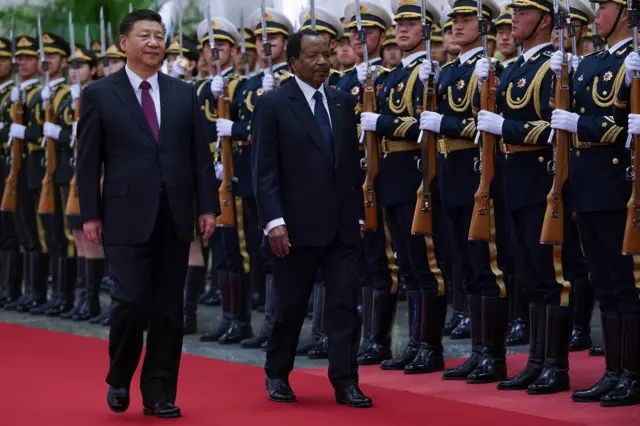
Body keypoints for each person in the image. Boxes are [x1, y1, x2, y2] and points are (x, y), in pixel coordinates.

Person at [77, 9, 218, 418]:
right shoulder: (101, 93)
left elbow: (199, 156)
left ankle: (159, 392)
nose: (154, 42)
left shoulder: (182, 92)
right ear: (124, 43)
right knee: (130, 300)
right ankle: (119, 376)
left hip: (175, 214)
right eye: (145, 35)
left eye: (159, 35)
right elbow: (88, 161)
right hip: (123, 214)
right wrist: (90, 213)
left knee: (169, 308)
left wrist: (208, 206)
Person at [252, 29, 371, 408]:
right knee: (289, 307)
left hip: (340, 225)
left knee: (343, 306)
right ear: (293, 62)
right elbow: (264, 169)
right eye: (314, 56)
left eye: (327, 55)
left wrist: (358, 216)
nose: (323, 62)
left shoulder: (340, 102)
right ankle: (277, 372)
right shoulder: (273, 104)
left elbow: (350, 167)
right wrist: (273, 221)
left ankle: (345, 381)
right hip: (294, 227)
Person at [336, 0, 396, 367]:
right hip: (350, 179)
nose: (360, 39)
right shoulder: (341, 81)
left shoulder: (391, 78)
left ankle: (380, 338)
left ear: (381, 36)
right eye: (354, 34)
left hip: (380, 175)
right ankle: (362, 335)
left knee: (383, 256)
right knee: (359, 258)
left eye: (368, 33)